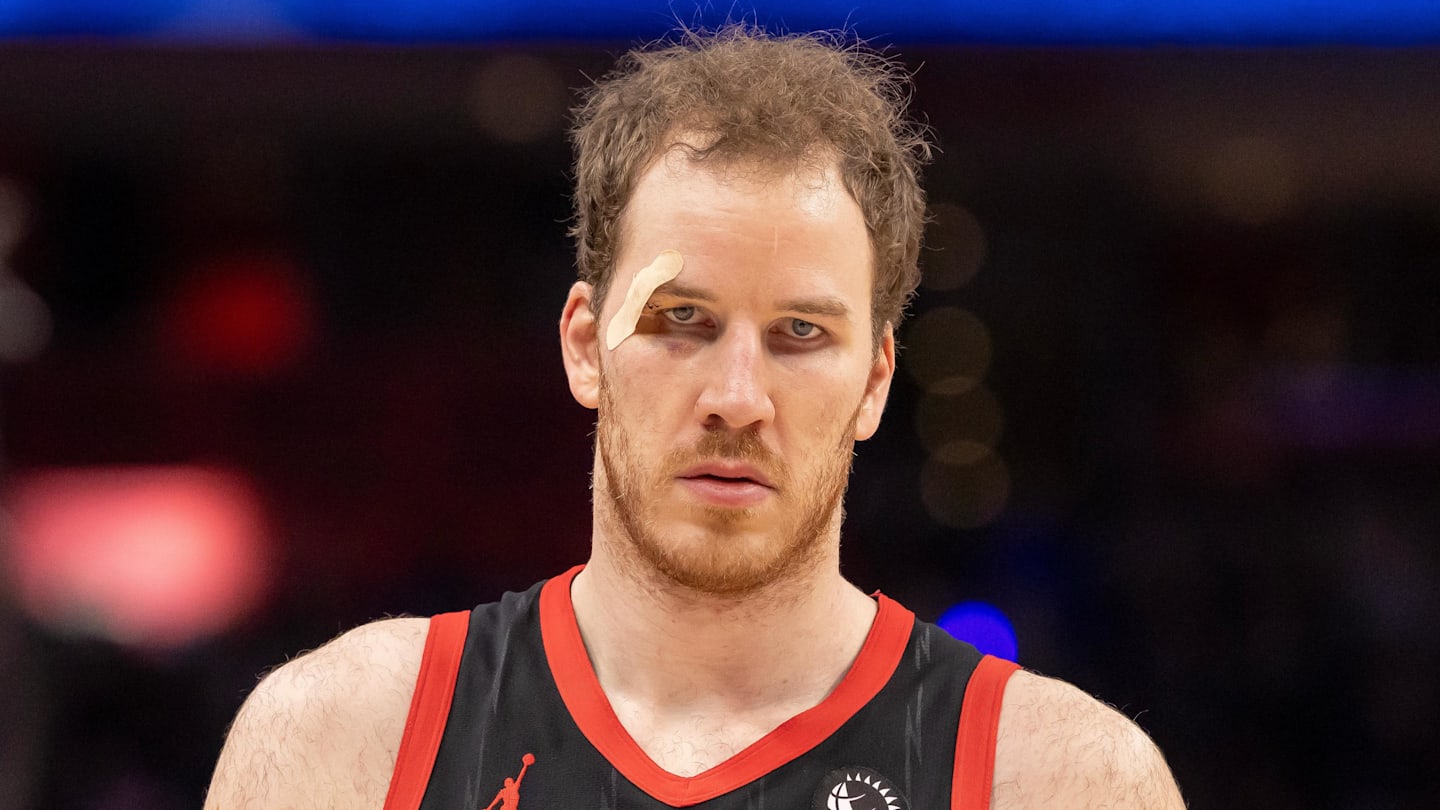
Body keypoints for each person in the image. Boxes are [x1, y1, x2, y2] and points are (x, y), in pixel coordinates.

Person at [203, 26, 1186, 810]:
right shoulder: (342, 743)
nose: (738, 398)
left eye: (801, 332)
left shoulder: (1061, 781)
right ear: (586, 345)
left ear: (879, 380)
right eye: (682, 322)